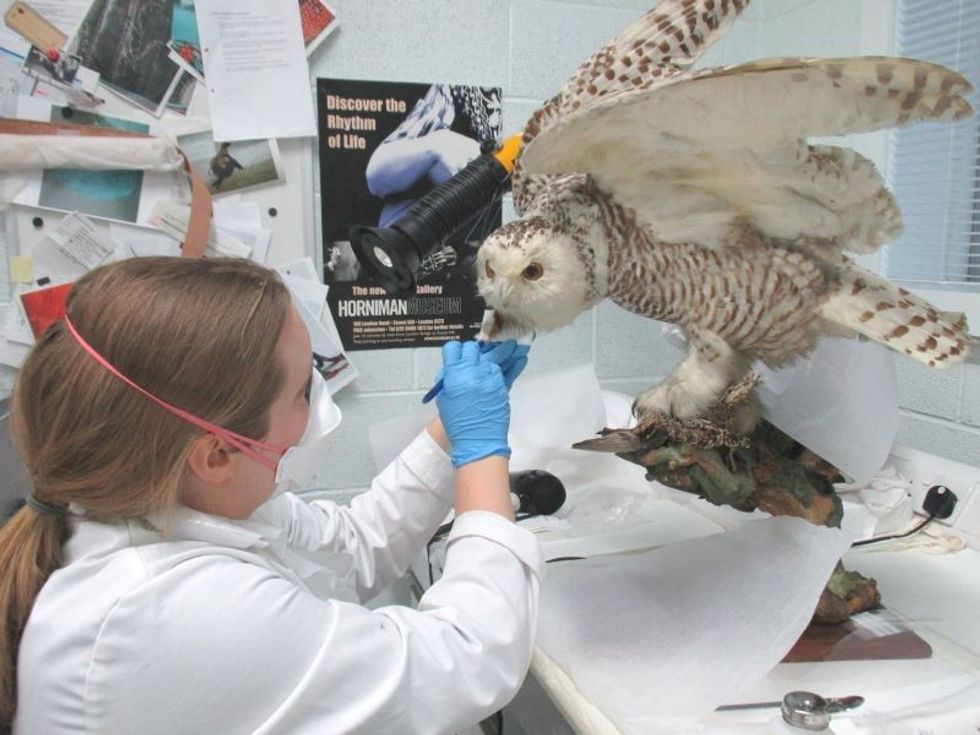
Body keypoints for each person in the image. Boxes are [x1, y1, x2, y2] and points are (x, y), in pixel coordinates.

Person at [0, 256, 539, 734]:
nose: (317, 403)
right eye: (303, 391)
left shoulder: (167, 505)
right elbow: (468, 658)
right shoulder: (172, 612)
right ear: (215, 455)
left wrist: (454, 426)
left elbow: (349, 548)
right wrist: (482, 452)